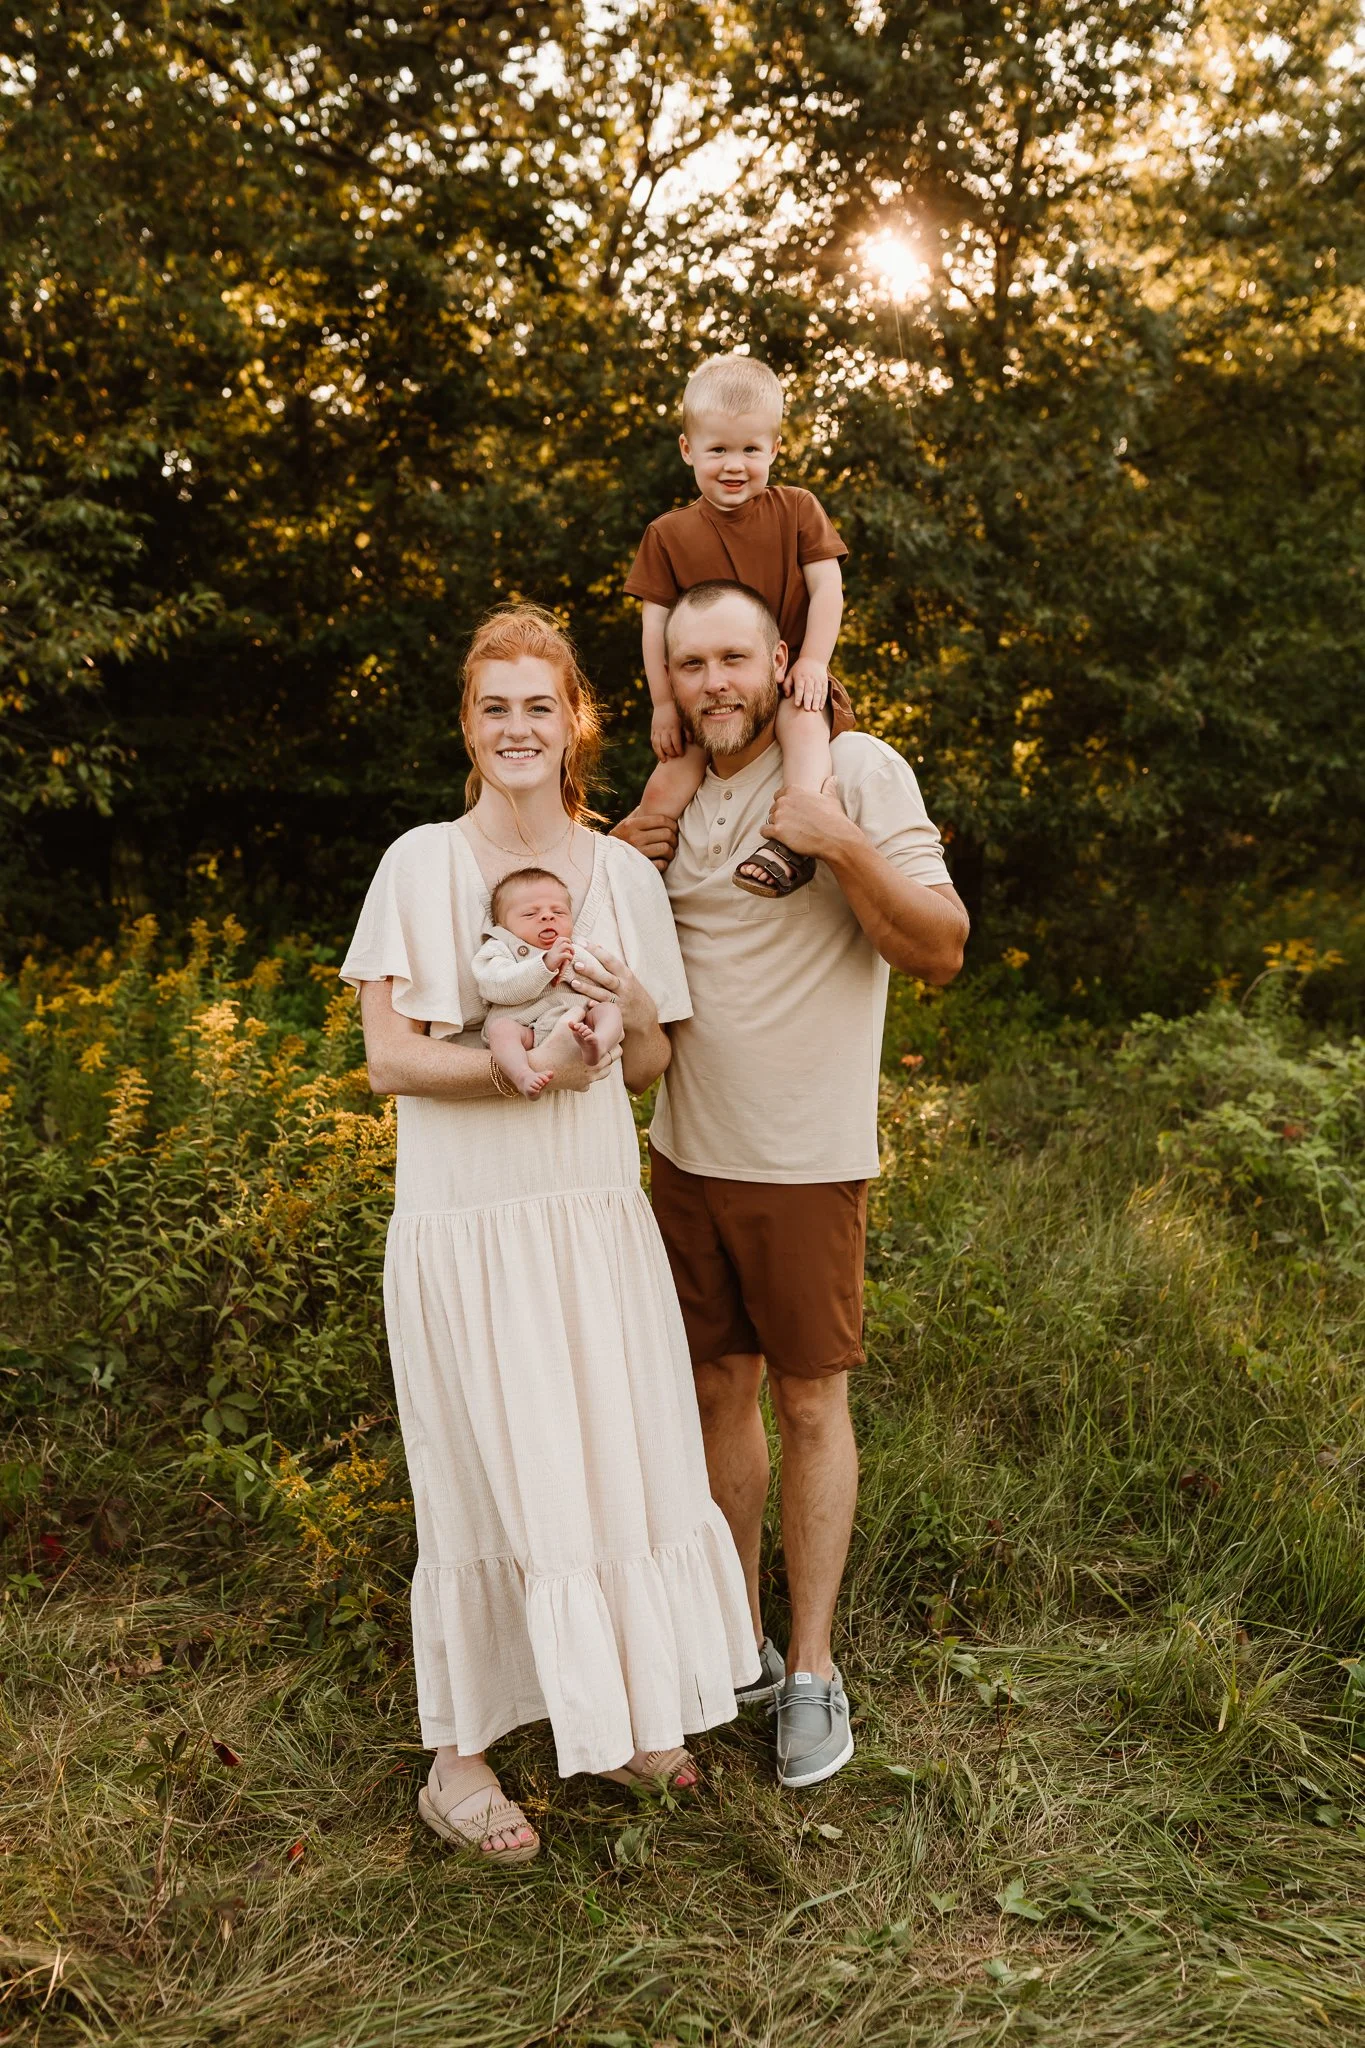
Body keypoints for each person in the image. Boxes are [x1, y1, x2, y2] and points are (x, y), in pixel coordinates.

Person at [341, 604, 759, 1868]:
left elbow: (647, 1063)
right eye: (493, 706)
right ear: (466, 725)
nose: (517, 728)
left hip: (591, 1218)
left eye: (540, 705)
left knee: (610, 1459)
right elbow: (387, 1059)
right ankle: (458, 1758)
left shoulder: (623, 874)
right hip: (467, 1224)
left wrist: (620, 1011)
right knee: (478, 1474)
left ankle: (626, 1713)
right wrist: (515, 1071)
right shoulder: (419, 860)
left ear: (574, 720)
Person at [614, 581, 969, 1790]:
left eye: (733, 657)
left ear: (781, 657)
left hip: (805, 1161)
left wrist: (844, 843)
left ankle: (813, 1669)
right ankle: (738, 1641)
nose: (715, 680)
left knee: (811, 1404)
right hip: (682, 1153)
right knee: (717, 1391)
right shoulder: (680, 797)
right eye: (690, 661)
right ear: (670, 676)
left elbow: (941, 946)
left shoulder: (852, 768)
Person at [625, 352, 852, 898]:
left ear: (775, 448)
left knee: (802, 727)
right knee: (670, 777)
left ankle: (792, 844)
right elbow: (654, 627)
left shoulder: (797, 509)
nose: (735, 464)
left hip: (790, 677)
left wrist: (813, 661)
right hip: (713, 695)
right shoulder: (668, 534)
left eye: (751, 449)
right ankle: (634, 873)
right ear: (688, 450)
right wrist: (662, 704)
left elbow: (828, 590)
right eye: (718, 449)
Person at [472, 865, 624, 1098]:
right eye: (530, 914)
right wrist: (545, 965)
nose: (547, 916)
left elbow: (600, 985)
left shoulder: (578, 948)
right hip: (524, 1028)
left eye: (559, 912)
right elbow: (499, 986)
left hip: (577, 1026)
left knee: (610, 1010)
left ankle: (598, 1045)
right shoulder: (498, 950)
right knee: (500, 1031)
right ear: (503, 927)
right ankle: (522, 1074)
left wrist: (601, 998)